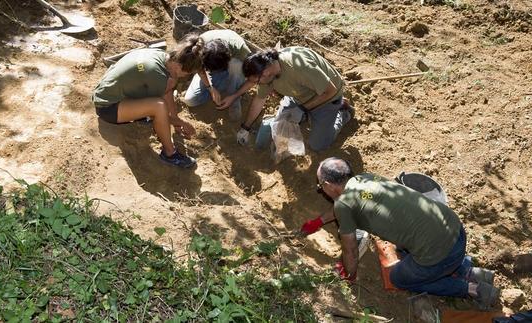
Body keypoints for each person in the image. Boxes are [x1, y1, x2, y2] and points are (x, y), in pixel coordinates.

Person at [300, 157, 500, 309]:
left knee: (399, 278)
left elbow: (350, 251)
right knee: (403, 249)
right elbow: (348, 205)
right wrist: (319, 221)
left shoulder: (345, 204)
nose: (321, 189)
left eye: (320, 186)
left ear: (327, 185)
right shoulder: (365, 180)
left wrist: (349, 275)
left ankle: (473, 290)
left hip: (440, 253)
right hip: (454, 229)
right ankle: (468, 271)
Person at [92, 35, 203, 168]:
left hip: (110, 93)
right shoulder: (156, 74)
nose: (187, 76)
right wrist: (182, 123)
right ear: (179, 66)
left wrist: (175, 119)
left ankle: (140, 118)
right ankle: (169, 154)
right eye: (187, 73)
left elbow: (167, 92)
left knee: (160, 102)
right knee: (158, 107)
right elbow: (159, 110)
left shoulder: (162, 57)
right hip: (107, 107)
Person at [237, 47, 354, 151]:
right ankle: (305, 115)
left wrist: (301, 109)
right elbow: (259, 99)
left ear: (266, 73)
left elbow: (330, 90)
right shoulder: (267, 72)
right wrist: (245, 128)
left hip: (327, 97)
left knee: (317, 145)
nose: (257, 84)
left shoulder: (299, 67)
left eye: (257, 82)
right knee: (280, 129)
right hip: (298, 95)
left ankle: (343, 112)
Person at [183, 29, 255, 120]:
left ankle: (233, 95)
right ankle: (221, 86)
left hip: (234, 66)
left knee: (236, 65)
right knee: (190, 100)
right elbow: (199, 68)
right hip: (214, 66)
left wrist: (234, 96)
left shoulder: (242, 51)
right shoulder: (200, 45)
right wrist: (210, 88)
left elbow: (254, 79)